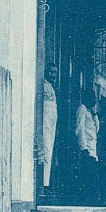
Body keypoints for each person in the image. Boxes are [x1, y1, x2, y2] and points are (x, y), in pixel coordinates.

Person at [74, 89, 99, 202]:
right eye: (93, 98)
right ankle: (84, 199)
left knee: (92, 175)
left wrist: (95, 116)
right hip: (87, 148)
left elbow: (96, 130)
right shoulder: (82, 109)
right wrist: (83, 147)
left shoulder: (90, 112)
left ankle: (90, 199)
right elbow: (79, 129)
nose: (95, 100)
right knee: (86, 175)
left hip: (93, 148)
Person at [40, 63, 59, 193]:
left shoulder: (51, 88)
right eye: (51, 72)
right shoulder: (43, 86)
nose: (53, 75)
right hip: (45, 124)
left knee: (49, 151)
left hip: (51, 124)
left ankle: (46, 183)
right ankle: (43, 184)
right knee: (46, 151)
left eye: (55, 72)